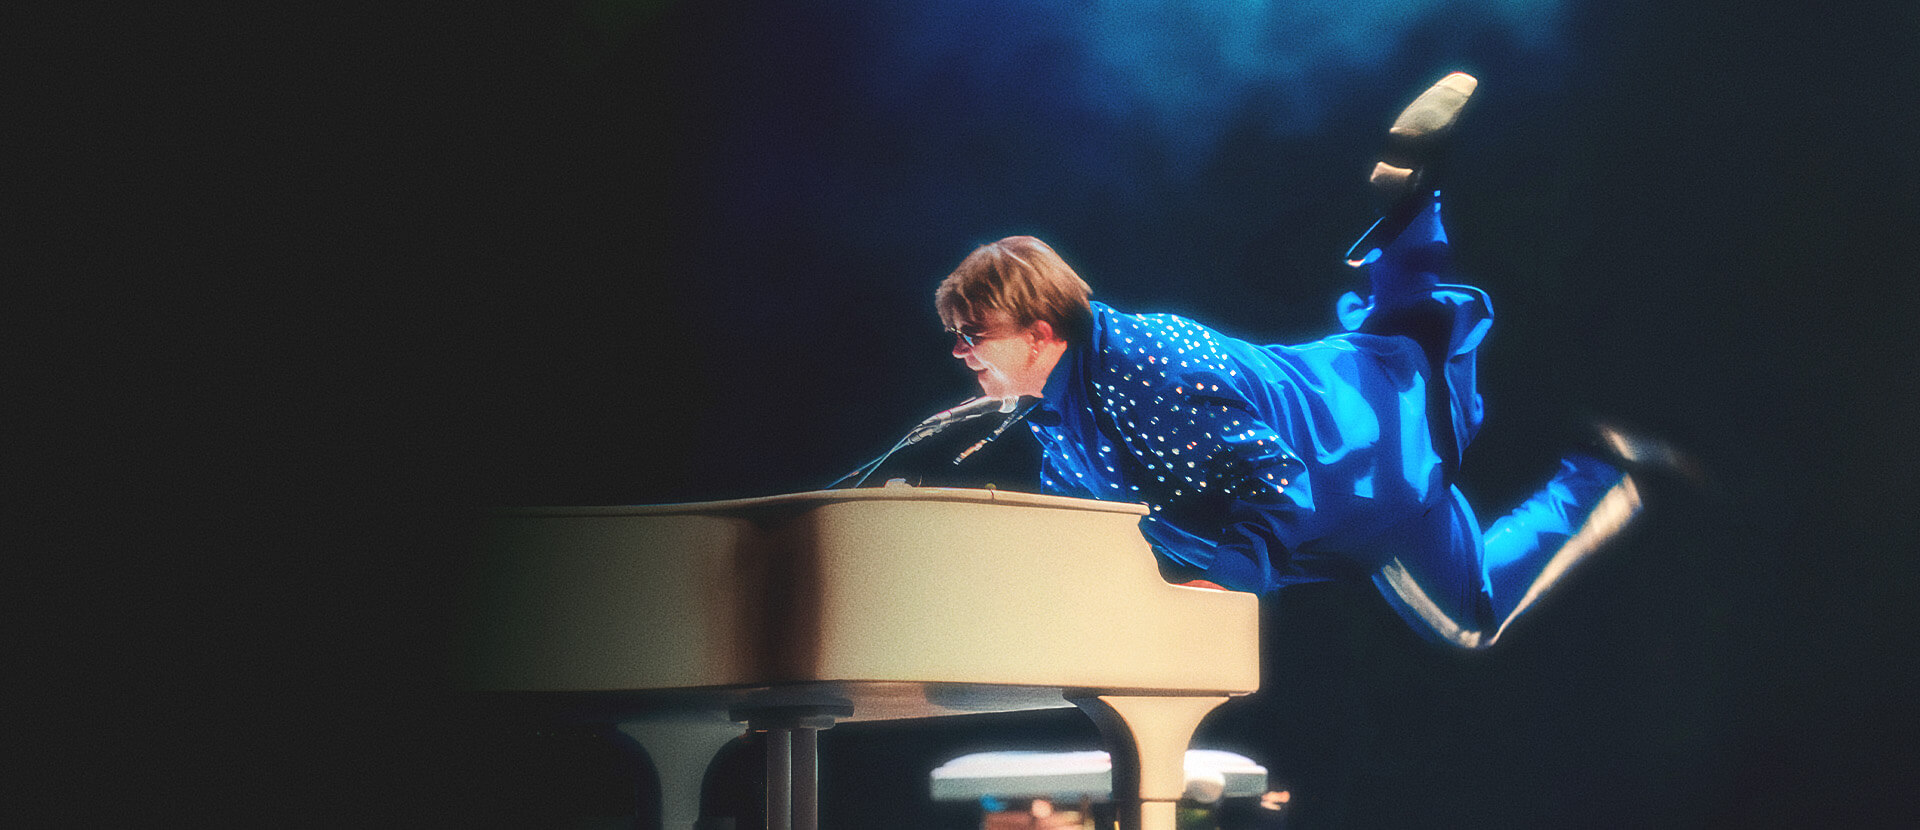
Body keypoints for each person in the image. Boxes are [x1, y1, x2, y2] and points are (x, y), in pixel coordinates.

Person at [933, 73, 1669, 648]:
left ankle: (1606, 468)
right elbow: (1092, 532)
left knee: (1469, 605)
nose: (963, 355)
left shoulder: (1138, 370)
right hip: (1340, 414)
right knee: (1400, 343)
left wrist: (1223, 584)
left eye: (973, 334)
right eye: (956, 337)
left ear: (1037, 332)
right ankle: (1412, 203)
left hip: (1357, 478)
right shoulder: (1061, 409)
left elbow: (1278, 481)